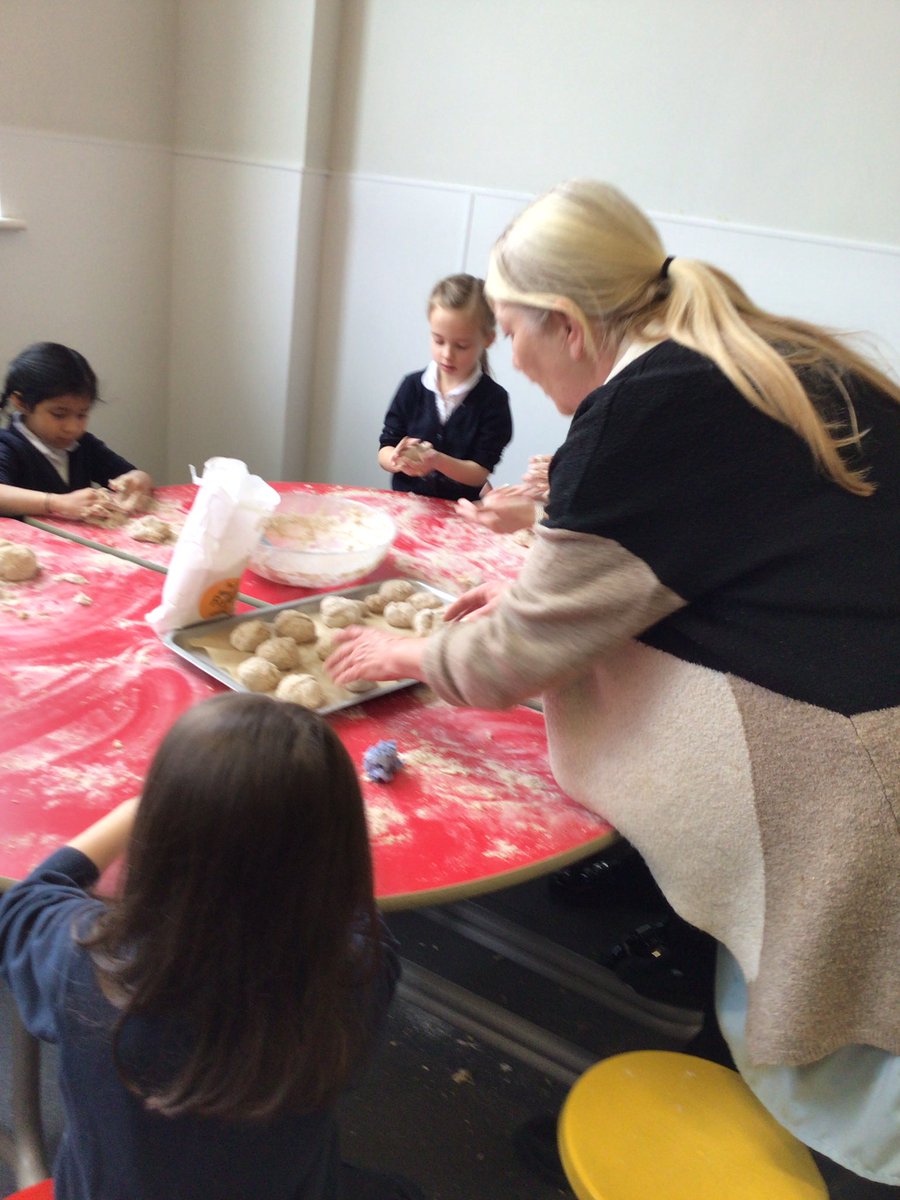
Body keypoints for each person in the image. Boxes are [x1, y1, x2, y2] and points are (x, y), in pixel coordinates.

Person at [328, 180, 900, 1196]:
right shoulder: (766, 351)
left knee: (826, 1080)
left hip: (856, 788)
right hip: (867, 711)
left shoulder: (641, 410)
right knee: (769, 1024)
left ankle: (735, 1158)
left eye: (512, 335)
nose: (516, 362)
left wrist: (406, 655)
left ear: (569, 324)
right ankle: (708, 1092)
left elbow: (525, 653)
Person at [0, 692, 422, 1200]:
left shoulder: (88, 963)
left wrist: (135, 811)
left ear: (158, 837)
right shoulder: (360, 972)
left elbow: (25, 902)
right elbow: (350, 903)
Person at [378, 273, 512, 502]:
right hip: (406, 506)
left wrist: (436, 461)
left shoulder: (493, 401)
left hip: (458, 516)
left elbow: (479, 473)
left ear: (488, 339)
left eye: (461, 345)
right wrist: (397, 460)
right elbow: (385, 448)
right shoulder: (412, 387)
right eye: (438, 341)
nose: (447, 354)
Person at [0, 341, 153, 521]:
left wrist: (140, 479)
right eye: (59, 414)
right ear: (21, 403)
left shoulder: (83, 445)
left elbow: (126, 474)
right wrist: (56, 503)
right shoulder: (7, 445)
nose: (72, 428)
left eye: (82, 414)